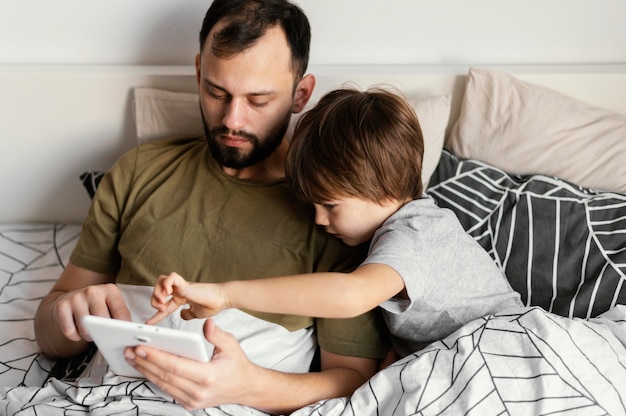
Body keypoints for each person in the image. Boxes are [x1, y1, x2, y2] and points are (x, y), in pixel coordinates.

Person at [33, 0, 388, 413]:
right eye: (217, 92)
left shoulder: (335, 213)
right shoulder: (139, 171)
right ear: (199, 72)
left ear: (301, 94)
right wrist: (68, 314)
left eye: (258, 100)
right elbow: (48, 332)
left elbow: (353, 382)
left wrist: (249, 386)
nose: (233, 120)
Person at [147, 87, 524, 362]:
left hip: (509, 348)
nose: (318, 219)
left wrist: (227, 294)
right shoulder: (390, 236)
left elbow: (349, 295)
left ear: (385, 185)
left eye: (330, 204)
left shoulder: (415, 234)